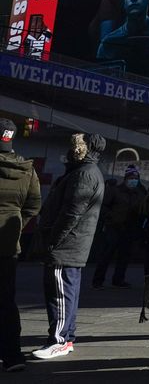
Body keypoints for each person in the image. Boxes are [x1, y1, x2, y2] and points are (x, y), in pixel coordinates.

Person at [34, 133, 105, 361]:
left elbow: (71, 213)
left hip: (66, 245)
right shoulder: (85, 171)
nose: (73, 150)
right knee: (66, 292)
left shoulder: (84, 174)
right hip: (72, 243)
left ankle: (59, 340)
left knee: (60, 294)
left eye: (77, 146)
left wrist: (54, 239)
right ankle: (66, 338)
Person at [0, 118, 41, 372]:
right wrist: (16, 226)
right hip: (7, 244)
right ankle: (13, 355)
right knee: (6, 300)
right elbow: (34, 206)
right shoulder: (27, 169)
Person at [92, 164, 148, 289]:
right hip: (114, 227)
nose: (133, 180)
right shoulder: (115, 190)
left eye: (136, 178)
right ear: (126, 178)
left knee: (124, 256)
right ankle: (98, 281)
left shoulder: (139, 193)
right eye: (131, 178)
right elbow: (104, 206)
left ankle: (118, 279)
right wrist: (110, 217)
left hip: (129, 228)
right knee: (106, 255)